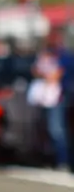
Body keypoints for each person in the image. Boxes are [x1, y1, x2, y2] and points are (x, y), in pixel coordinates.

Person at [28, 35, 67, 171]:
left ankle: (62, 161)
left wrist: (46, 74)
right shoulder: (43, 56)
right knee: (41, 130)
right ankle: (46, 160)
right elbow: (35, 71)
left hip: (55, 99)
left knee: (56, 130)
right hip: (41, 98)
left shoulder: (62, 56)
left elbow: (56, 75)